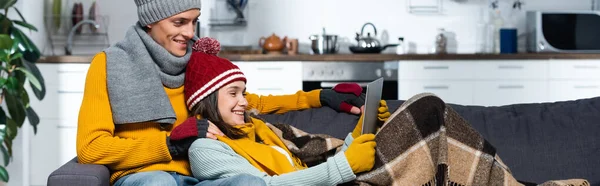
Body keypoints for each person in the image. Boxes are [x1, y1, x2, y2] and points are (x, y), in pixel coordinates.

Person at [75, 1, 365, 185]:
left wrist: (318, 97)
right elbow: (91, 149)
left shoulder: (196, 62)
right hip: (143, 177)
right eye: (179, 22)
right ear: (151, 20)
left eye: (194, 21)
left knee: (246, 183)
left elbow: (245, 102)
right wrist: (169, 145)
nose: (190, 33)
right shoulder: (109, 64)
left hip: (201, 173)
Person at [178, 38, 391, 185]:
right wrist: (344, 165)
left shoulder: (259, 130)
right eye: (233, 93)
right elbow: (265, 185)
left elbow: (308, 175)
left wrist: (360, 129)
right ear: (208, 100)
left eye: (243, 93)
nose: (244, 102)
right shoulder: (206, 149)